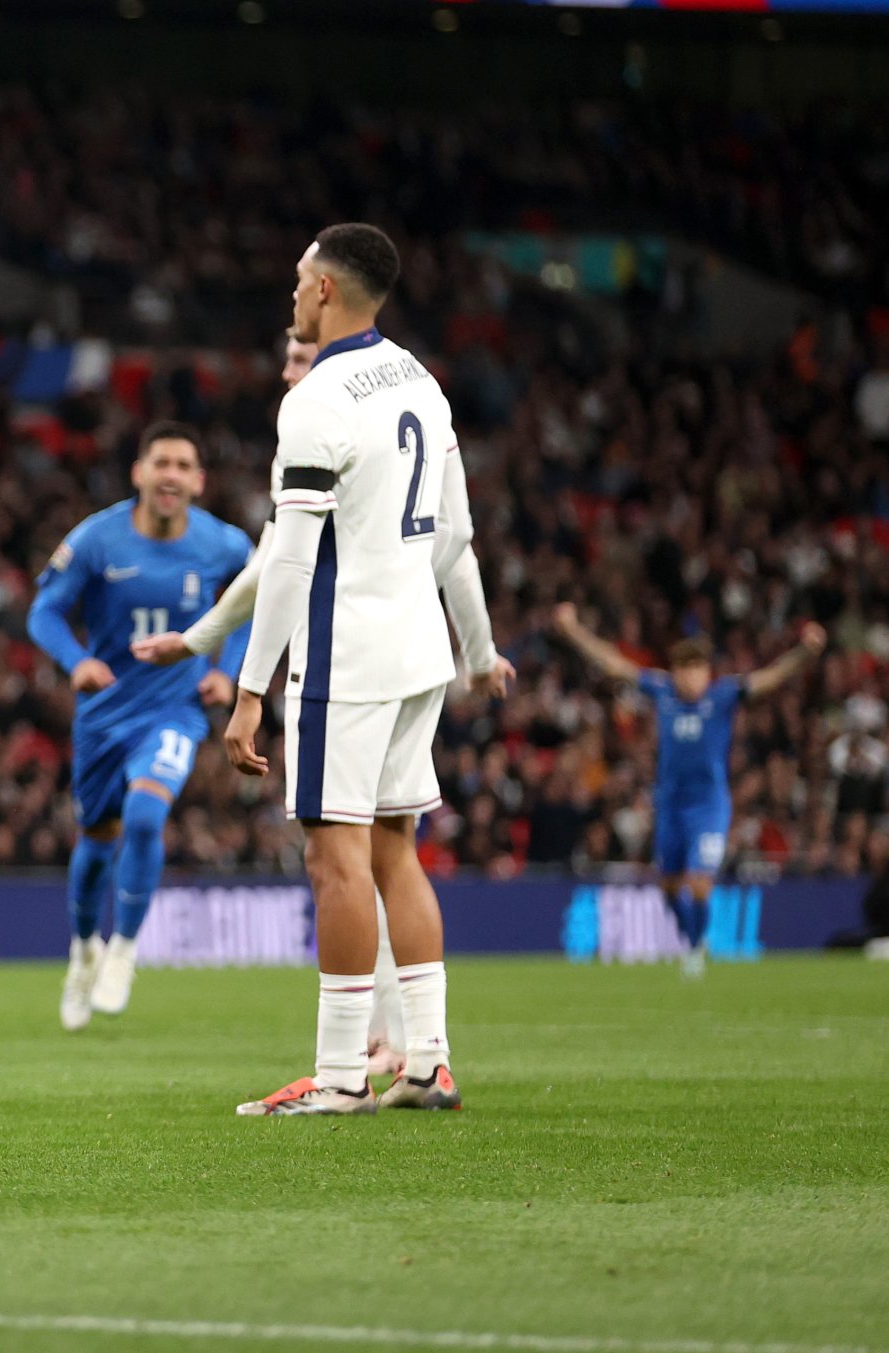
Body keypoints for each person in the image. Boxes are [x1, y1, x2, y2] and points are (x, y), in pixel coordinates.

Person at [218, 224, 510, 1116]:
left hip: (346, 658)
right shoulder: (418, 377)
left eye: (299, 278)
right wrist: (475, 647)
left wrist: (250, 691)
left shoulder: (317, 399)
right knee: (393, 849)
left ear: (325, 290)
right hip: (419, 648)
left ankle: (342, 1074)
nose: (292, 292)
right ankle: (428, 1061)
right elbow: (455, 535)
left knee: (333, 857)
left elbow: (290, 559)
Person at [27, 421, 252, 1030]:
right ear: (139, 473)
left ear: (198, 481)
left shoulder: (223, 544)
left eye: (183, 465)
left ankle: (124, 950)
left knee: (147, 815)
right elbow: (44, 612)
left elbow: (258, 602)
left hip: (174, 711)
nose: (170, 475)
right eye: (161, 463)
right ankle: (84, 951)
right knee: (96, 844)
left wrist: (227, 671)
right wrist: (77, 661)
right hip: (104, 716)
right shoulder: (96, 540)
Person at [552, 607, 826, 975]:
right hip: (670, 806)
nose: (691, 677)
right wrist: (573, 631)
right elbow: (614, 664)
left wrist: (805, 652)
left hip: (709, 806)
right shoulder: (662, 690)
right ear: (676, 671)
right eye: (684, 669)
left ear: (707, 672)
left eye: (697, 669)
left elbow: (771, 677)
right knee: (668, 888)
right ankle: (691, 940)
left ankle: (696, 951)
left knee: (698, 882)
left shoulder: (723, 695)